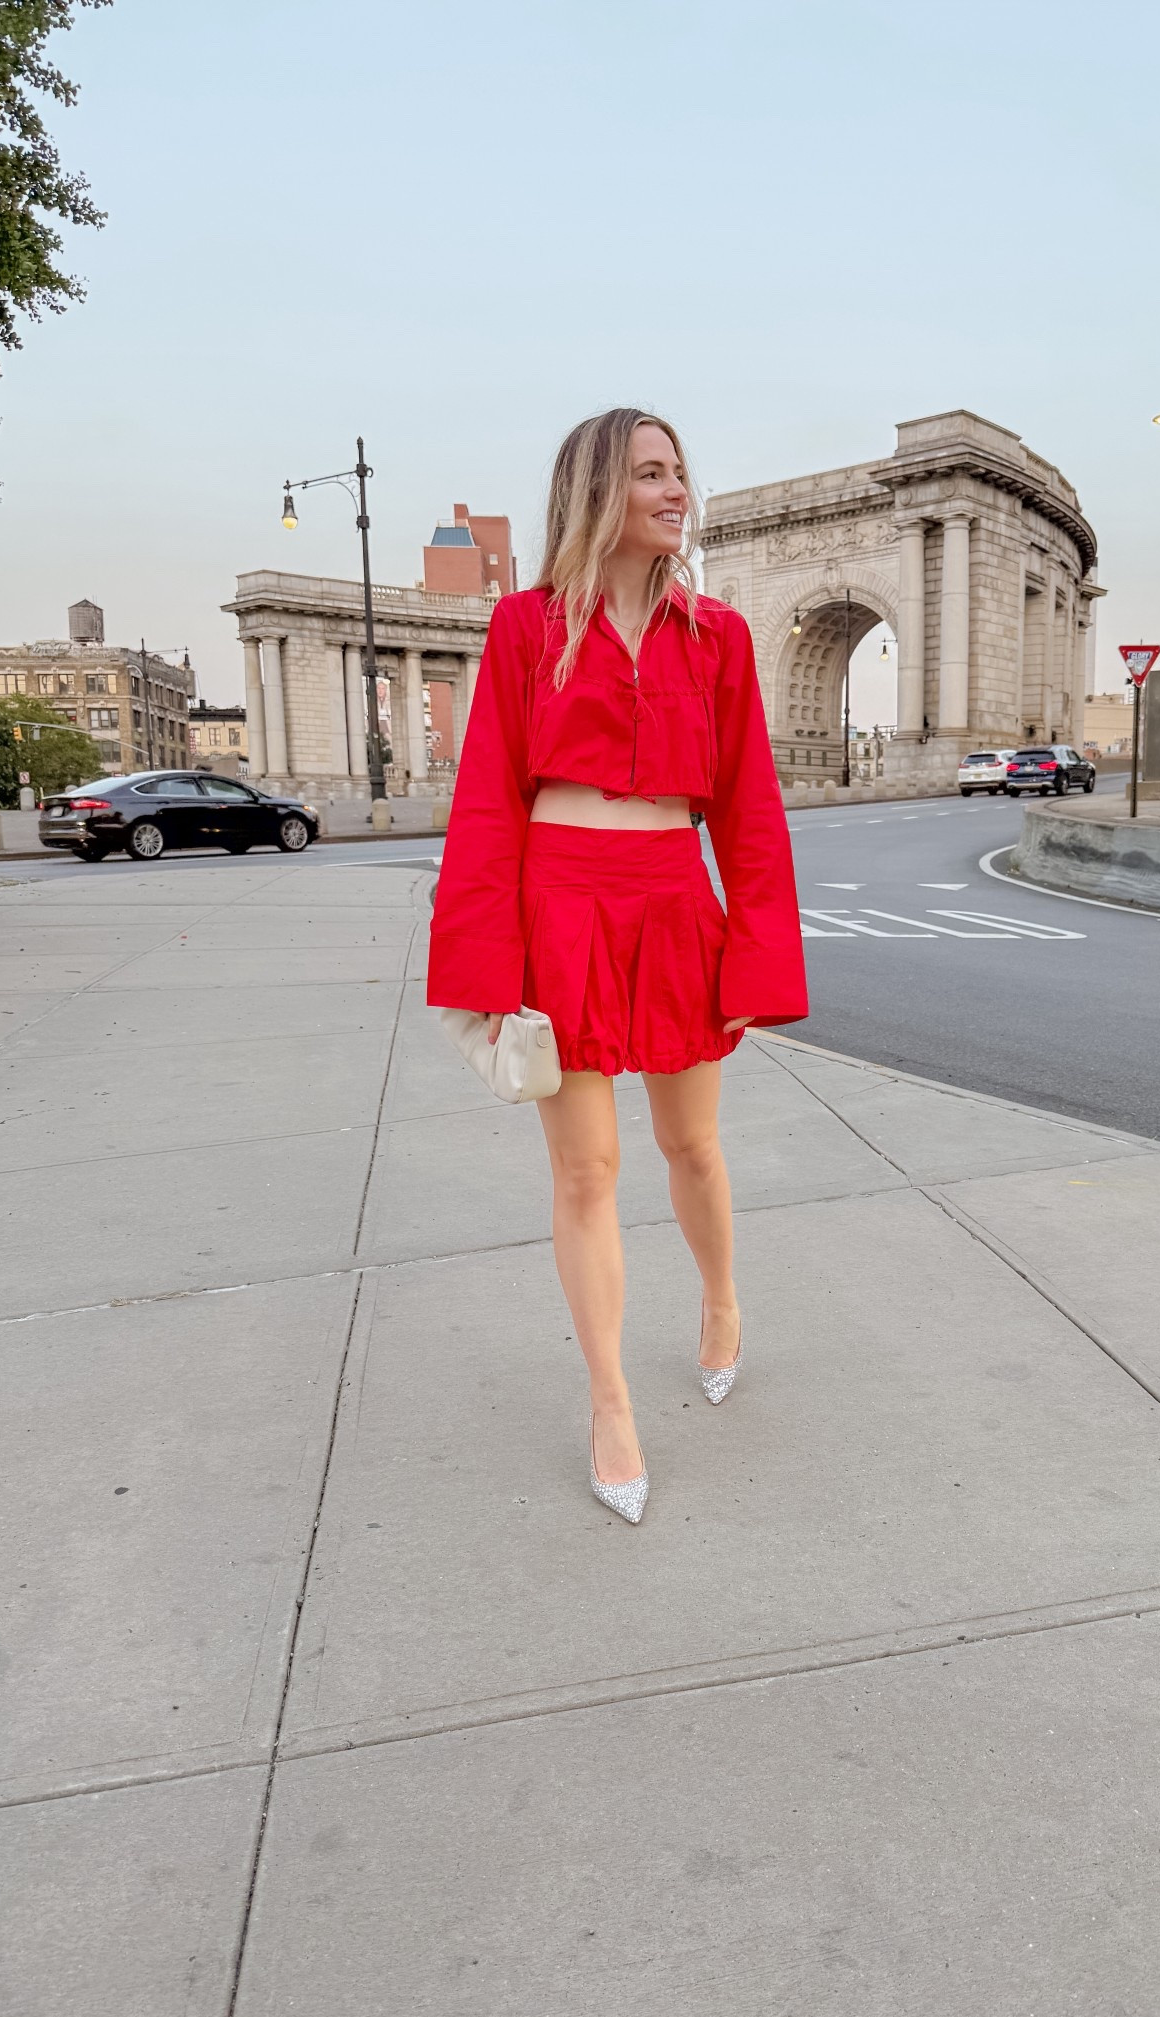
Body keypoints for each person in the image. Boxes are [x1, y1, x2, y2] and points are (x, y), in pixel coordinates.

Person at [427, 410, 807, 1525]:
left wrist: (758, 951)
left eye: (679, 471)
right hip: (559, 904)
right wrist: (488, 970)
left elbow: (749, 811)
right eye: (650, 472)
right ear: (599, 490)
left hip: (673, 902)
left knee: (692, 1141)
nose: (674, 489)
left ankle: (723, 1302)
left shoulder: (720, 637)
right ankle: (609, 1403)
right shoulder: (523, 630)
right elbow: (486, 807)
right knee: (586, 1171)